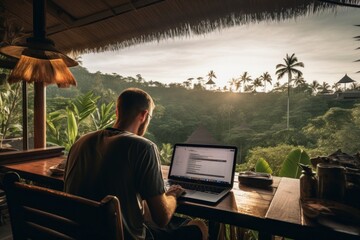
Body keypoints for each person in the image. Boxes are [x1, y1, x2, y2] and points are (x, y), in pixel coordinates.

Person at [64, 88, 207, 240]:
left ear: (117, 111)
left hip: (79, 233)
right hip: (122, 236)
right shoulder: (143, 147)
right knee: (199, 225)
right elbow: (162, 218)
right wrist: (172, 194)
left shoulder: (81, 141)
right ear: (144, 115)